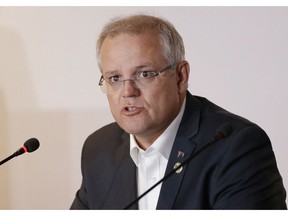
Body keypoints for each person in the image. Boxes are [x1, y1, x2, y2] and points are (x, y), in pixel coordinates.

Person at [71, 14, 287, 210]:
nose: (128, 91)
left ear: (180, 77)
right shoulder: (99, 148)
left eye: (144, 74)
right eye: (115, 78)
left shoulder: (236, 146)